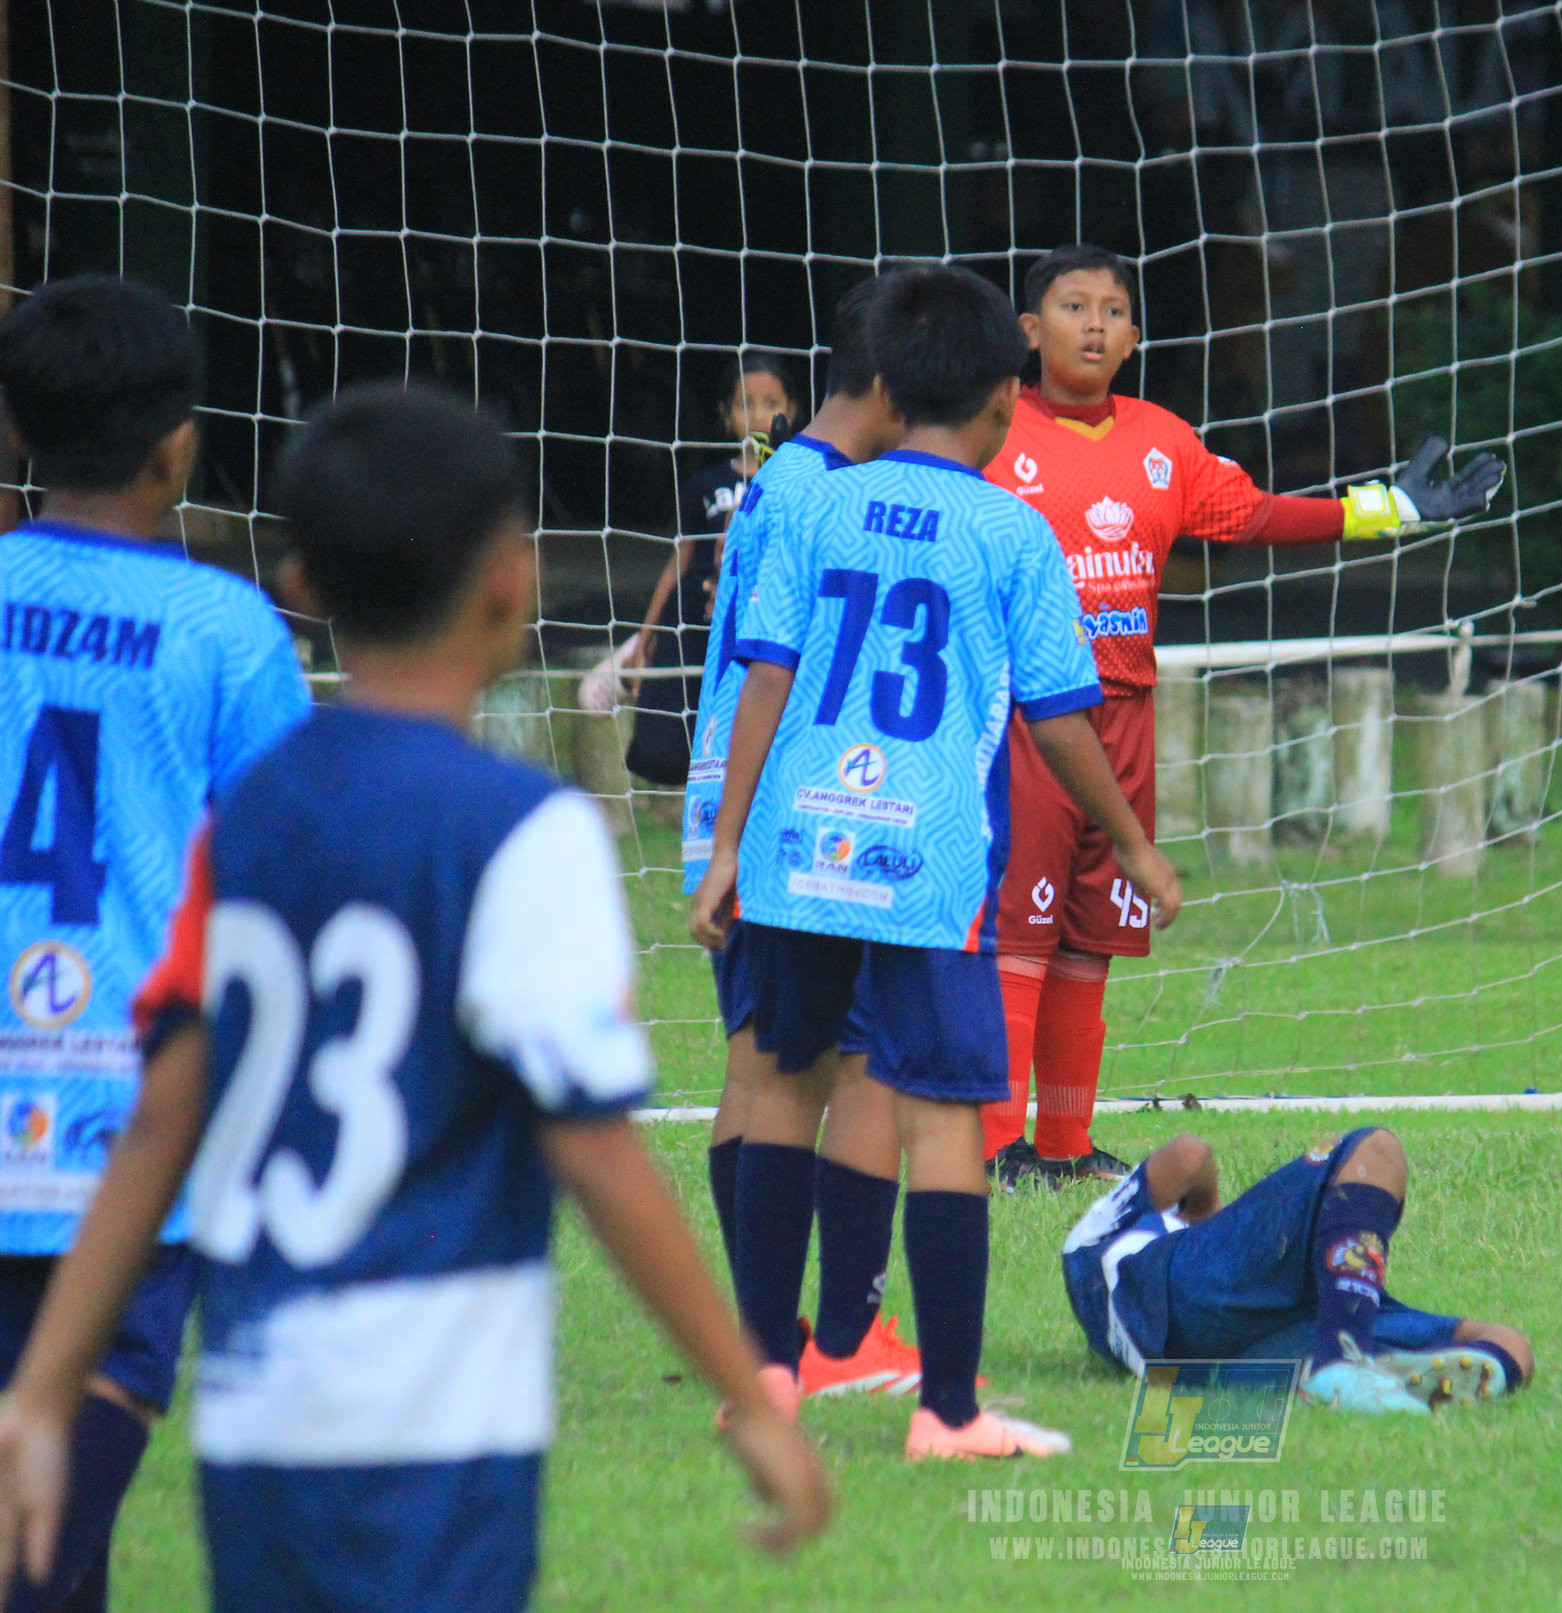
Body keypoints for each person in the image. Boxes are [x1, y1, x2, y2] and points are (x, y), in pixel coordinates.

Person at [0, 384, 830, 1612]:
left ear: (305, 583)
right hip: (435, 1412)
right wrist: (748, 1386)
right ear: (513, 579)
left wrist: (38, 1388)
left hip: (253, 1403)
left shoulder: (249, 813)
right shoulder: (523, 829)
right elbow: (593, 1149)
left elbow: (168, 1103)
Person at [687, 263, 1184, 1458]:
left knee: (787, 1089)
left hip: (798, 841)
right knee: (949, 1119)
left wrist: (729, 851)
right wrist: (1129, 839)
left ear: (885, 383)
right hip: (929, 859)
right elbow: (1063, 719)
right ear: (1006, 398)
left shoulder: (810, 501)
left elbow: (765, 673)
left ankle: (763, 1373)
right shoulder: (1012, 529)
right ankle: (949, 1413)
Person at [980, 243, 1506, 1189]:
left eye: (1112, 310)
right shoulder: (989, 434)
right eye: (1072, 306)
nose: (1093, 324)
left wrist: (1387, 508)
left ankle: (1061, 1147)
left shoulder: (1159, 439)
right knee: (1018, 938)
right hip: (1023, 723)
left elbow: (1256, 515)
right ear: (1029, 330)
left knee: (1093, 937)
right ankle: (983, 1153)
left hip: (1125, 715)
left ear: (1135, 335)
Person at [0, 276, 310, 1613]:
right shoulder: (228, 634)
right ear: (179, 442)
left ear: (17, 430)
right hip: (132, 1128)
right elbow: (296, 881)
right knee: (54, 1522)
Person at [676, 281, 924, 1408]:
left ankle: (757, 1327)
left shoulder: (774, 481)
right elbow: (789, 664)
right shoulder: (825, 496)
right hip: (788, 816)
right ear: (889, 388)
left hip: (725, 795)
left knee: (755, 1065)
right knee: (851, 1067)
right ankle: (835, 1339)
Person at [1061, 1129, 1535, 1413]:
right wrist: (1206, 1209)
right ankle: (1341, 1359)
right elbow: (1190, 1154)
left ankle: (1354, 1371)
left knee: (1510, 1346)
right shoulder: (1141, 1249)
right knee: (1374, 1149)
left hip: (1223, 1349)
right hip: (1200, 1302)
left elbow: (1188, 1156)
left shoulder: (1093, 1254)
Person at [625, 351, 801, 789]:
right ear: (726, 416)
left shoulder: (799, 481)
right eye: (745, 404)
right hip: (699, 623)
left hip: (761, 623)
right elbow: (678, 561)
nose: (759, 415)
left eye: (771, 403)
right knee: (681, 739)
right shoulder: (707, 484)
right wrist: (646, 638)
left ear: (792, 412)